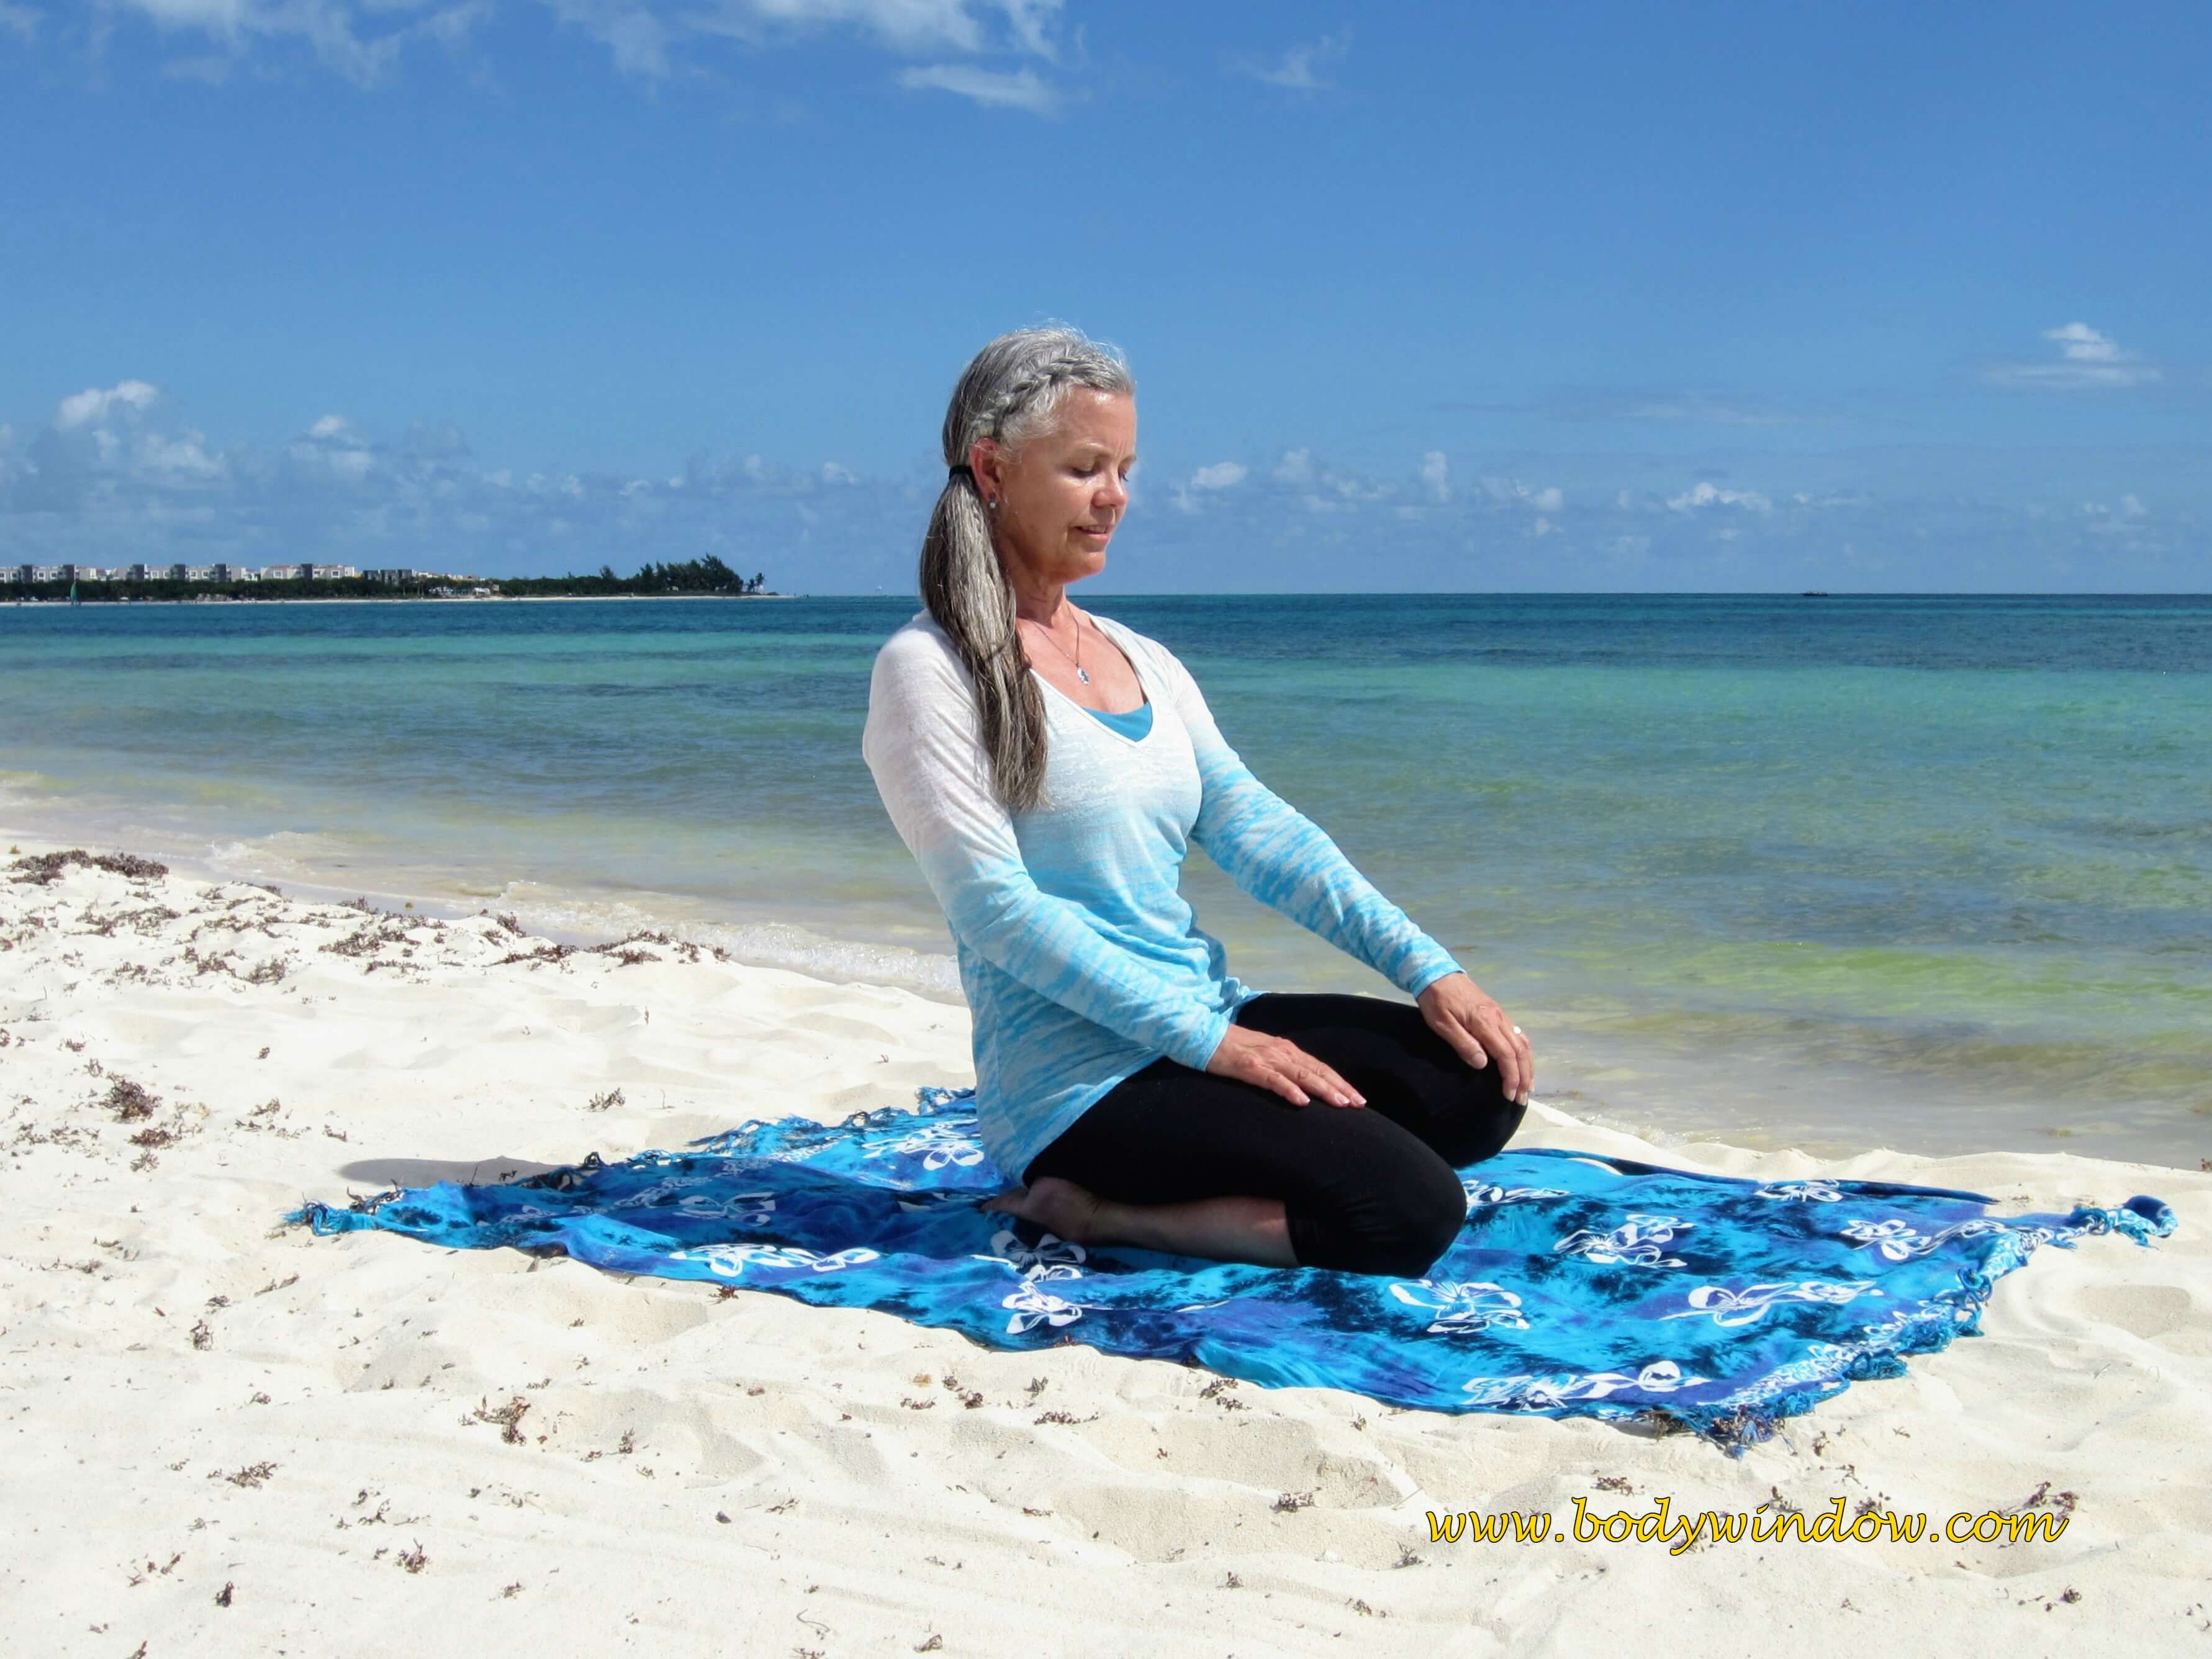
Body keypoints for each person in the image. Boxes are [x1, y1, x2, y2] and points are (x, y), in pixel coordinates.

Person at [862, 326, 1532, 1280]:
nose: (1115, 498)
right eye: (1085, 468)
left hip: (1199, 1018)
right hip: (1077, 1086)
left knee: (1478, 1083)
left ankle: (1269, 1145)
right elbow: (998, 915)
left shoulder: (1143, 658)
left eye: (1126, 468)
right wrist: (1215, 1047)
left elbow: (1262, 833)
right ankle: (1093, 1213)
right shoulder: (929, 673)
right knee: (1411, 1211)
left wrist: (1432, 971)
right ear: (993, 468)